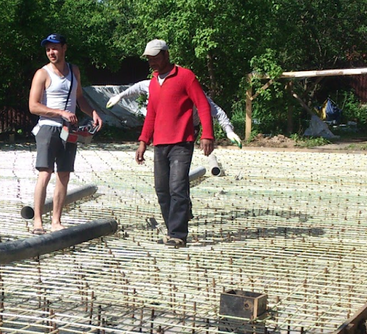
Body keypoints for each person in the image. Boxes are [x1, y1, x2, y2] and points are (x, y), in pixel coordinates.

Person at [132, 39, 214, 247]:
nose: (152, 63)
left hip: (181, 142)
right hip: (160, 143)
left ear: (166, 55)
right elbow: (151, 113)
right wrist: (143, 141)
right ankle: (171, 229)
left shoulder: (185, 76)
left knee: (177, 187)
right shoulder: (153, 81)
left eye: (155, 58)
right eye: (149, 59)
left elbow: (203, 105)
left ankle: (178, 234)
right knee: (162, 190)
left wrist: (208, 134)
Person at [28, 33, 102, 234]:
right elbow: (33, 106)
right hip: (48, 127)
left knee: (64, 174)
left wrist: (93, 113)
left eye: (55, 48)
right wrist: (60, 112)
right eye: (48, 49)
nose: (51, 53)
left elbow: (79, 99)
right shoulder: (42, 74)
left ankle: (56, 221)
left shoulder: (74, 71)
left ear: (64, 48)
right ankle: (37, 221)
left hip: (69, 130)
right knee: (45, 172)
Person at [107, 79, 243, 147]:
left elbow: (216, 111)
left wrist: (228, 130)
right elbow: (138, 87)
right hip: (165, 128)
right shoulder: (156, 84)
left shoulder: (191, 90)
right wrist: (120, 96)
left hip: (188, 130)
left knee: (179, 163)